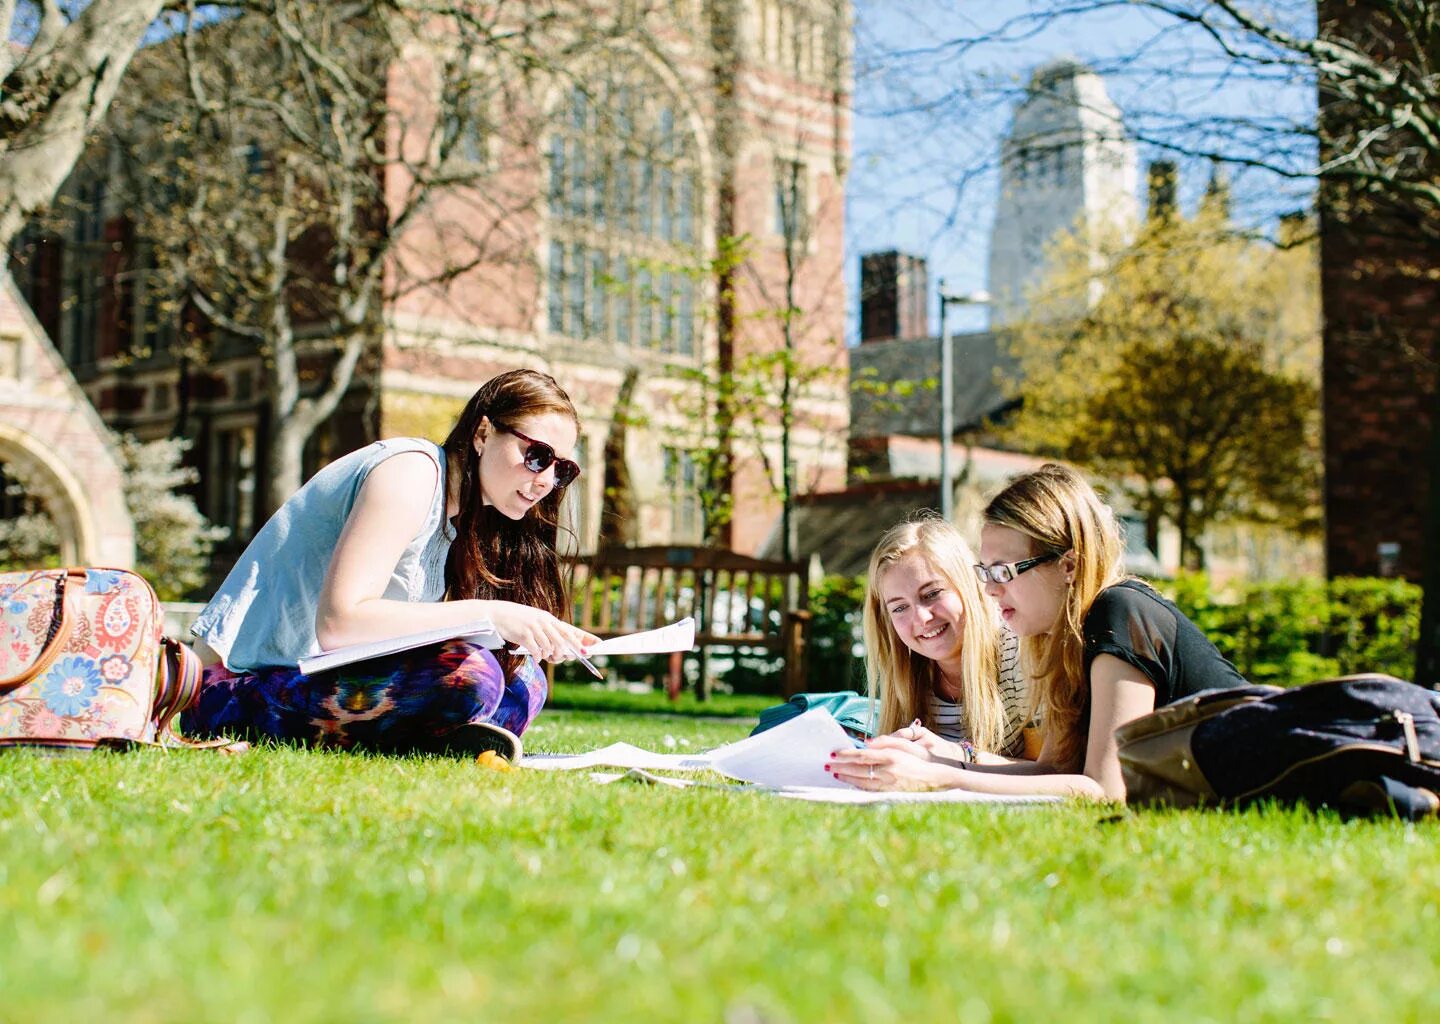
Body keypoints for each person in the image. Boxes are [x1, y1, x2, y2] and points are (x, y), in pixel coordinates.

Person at [181, 369, 597, 759]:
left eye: (562, 469)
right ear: (483, 433)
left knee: (524, 679)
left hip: (317, 680)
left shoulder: (458, 518)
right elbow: (340, 623)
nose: (546, 480)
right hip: (235, 688)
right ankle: (434, 741)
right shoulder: (411, 472)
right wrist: (493, 614)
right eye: (537, 455)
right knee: (474, 675)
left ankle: (438, 743)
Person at [830, 463, 1246, 800]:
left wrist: (940, 778)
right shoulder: (1058, 642)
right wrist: (940, 761)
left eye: (1004, 572)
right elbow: (1053, 771)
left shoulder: (1119, 610)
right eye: (986, 572)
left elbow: (1105, 790)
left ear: (1068, 565)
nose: (990, 590)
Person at [861, 518, 1034, 763]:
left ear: (968, 584)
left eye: (932, 594)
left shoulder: (1019, 652)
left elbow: (1052, 771)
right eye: (899, 608)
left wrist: (959, 757)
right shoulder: (905, 667)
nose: (921, 618)